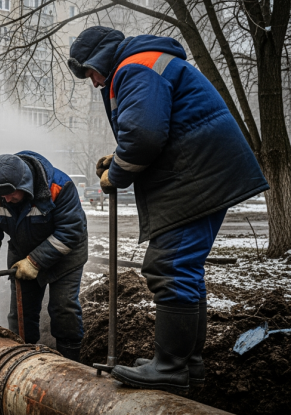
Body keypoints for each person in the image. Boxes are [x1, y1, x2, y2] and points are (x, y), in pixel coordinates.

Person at [68, 27, 269, 392]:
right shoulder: (145, 62)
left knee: (171, 265)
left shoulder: (134, 67)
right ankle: (187, 364)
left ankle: (171, 368)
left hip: (195, 174)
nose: (94, 83)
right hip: (203, 169)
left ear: (99, 60)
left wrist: (117, 173)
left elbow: (144, 136)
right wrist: (120, 158)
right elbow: (161, 125)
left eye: (90, 73)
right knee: (184, 268)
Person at [0, 152, 87, 361]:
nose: (6, 199)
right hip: (22, 253)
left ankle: (70, 361)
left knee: (63, 309)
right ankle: (23, 359)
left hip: (65, 254)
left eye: (11, 193)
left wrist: (35, 261)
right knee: (21, 314)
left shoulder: (59, 187)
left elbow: (70, 231)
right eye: (2, 196)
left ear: (25, 184)